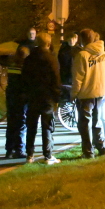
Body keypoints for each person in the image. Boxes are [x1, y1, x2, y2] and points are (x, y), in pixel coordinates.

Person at [71, 29, 105, 158]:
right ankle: (102, 148)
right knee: (97, 121)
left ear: (83, 40)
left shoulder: (82, 55)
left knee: (84, 124)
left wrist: (74, 94)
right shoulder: (103, 54)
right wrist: (103, 88)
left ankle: (88, 152)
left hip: (86, 94)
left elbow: (78, 78)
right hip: (100, 93)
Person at [22, 33, 61, 165]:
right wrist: (57, 97)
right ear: (49, 44)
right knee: (47, 126)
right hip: (47, 97)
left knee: (31, 126)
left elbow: (25, 78)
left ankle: (29, 154)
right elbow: (56, 80)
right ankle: (48, 155)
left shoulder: (29, 58)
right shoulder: (52, 59)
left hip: (33, 96)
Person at [4, 46, 29, 159]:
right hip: (21, 97)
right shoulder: (24, 66)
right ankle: (19, 150)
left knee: (11, 123)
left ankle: (9, 150)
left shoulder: (12, 64)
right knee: (21, 123)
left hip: (10, 95)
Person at [58, 32, 78, 101]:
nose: (71, 41)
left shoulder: (79, 50)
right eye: (70, 40)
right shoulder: (63, 49)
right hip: (65, 76)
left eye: (73, 39)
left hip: (75, 76)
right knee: (66, 95)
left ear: (76, 39)